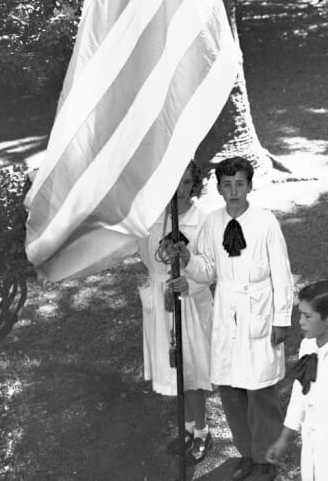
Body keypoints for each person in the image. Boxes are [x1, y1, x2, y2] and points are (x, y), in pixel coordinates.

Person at [168, 156, 294, 481]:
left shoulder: (266, 223)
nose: (234, 191)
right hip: (227, 311)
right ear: (220, 189)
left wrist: (281, 318)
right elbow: (208, 268)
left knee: (260, 391)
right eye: (227, 185)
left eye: (240, 184)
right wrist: (187, 258)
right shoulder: (213, 223)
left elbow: (282, 274)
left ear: (249, 186)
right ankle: (247, 454)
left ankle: (266, 459)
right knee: (232, 390)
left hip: (259, 310)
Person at [142, 161, 213, 462]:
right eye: (175, 182)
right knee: (174, 367)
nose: (180, 190)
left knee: (192, 370)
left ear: (194, 184)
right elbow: (145, 256)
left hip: (191, 302)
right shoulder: (154, 219)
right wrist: (161, 257)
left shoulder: (204, 220)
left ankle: (202, 430)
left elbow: (210, 270)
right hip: (163, 300)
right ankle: (186, 426)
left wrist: (188, 280)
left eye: (186, 183)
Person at [265, 282, 328, 480]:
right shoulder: (307, 346)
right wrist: (285, 438)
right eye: (300, 314)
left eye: (307, 316)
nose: (300, 322)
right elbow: (300, 391)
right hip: (312, 445)